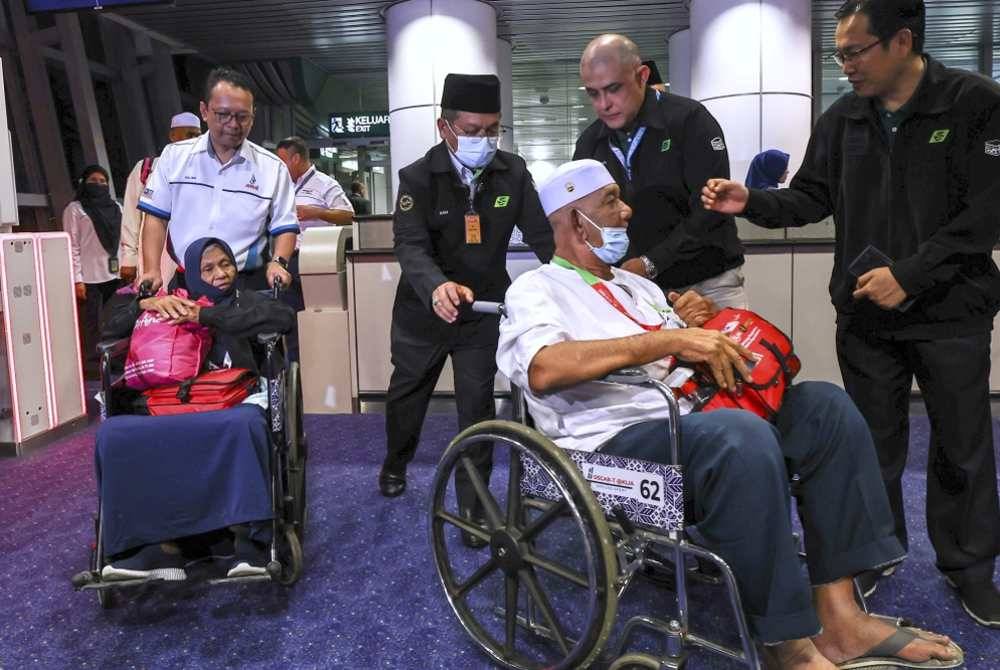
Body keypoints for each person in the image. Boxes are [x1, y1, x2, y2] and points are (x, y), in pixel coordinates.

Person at [497, 159, 962, 670]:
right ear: (571, 220)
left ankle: (841, 616)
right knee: (740, 438)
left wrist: (692, 326)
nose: (626, 210)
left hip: (693, 421)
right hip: (609, 450)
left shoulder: (640, 289)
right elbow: (542, 367)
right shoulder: (536, 288)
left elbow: (672, 354)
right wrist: (671, 336)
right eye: (609, 201)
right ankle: (788, 644)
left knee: (825, 407)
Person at [701, 0, 999, 628]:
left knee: (962, 447)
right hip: (866, 318)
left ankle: (970, 569)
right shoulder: (842, 121)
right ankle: (875, 553)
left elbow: (986, 215)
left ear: (902, 41)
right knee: (870, 445)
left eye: (855, 52)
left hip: (951, 313)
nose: (845, 67)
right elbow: (811, 197)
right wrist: (750, 198)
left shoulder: (975, 102)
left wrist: (910, 276)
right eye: (839, 54)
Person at [379, 73, 554, 527]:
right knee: (407, 396)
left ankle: (474, 506)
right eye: (473, 131)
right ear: (445, 128)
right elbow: (409, 244)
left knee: (475, 408)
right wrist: (436, 285)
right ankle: (396, 462)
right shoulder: (417, 177)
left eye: (492, 129)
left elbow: (542, 235)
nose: (484, 140)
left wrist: (577, 279)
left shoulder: (512, 173)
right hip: (423, 310)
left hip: (481, 311)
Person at [98, 237, 295, 580]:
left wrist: (204, 315)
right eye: (208, 268)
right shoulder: (173, 303)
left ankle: (251, 542)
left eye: (226, 264)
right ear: (190, 274)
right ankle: (154, 548)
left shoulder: (244, 303)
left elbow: (283, 316)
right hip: (171, 402)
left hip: (230, 401)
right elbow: (109, 331)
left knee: (245, 424)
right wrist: (145, 304)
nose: (220, 274)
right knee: (114, 434)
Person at [574, 34, 747, 308]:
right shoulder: (590, 142)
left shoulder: (689, 120)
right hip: (636, 290)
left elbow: (710, 209)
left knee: (721, 352)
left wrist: (650, 263)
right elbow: (581, 216)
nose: (603, 104)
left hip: (708, 285)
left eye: (614, 88)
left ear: (642, 76)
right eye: (593, 93)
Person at [137, 66, 298, 294]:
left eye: (243, 117)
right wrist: (152, 269)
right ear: (204, 111)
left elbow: (285, 225)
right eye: (223, 115)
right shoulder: (175, 157)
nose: (233, 124)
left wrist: (279, 262)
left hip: (246, 285)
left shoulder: (273, 169)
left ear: (253, 115)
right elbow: (155, 217)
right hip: (188, 283)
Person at [275, 135, 355, 361]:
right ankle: (296, 367)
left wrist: (317, 212)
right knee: (290, 317)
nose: (279, 167)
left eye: (282, 161)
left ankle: (326, 362)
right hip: (288, 259)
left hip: (319, 260)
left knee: (321, 316)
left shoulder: (325, 184)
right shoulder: (281, 186)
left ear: (296, 158)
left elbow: (349, 216)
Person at [118, 112, 202, 288]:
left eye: (198, 135)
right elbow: (131, 216)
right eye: (190, 134)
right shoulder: (146, 168)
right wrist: (129, 257)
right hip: (155, 251)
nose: (195, 139)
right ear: (173, 136)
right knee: (158, 301)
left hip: (194, 251)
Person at [64, 164, 123, 377]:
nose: (98, 185)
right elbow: (72, 245)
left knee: (114, 322)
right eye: (93, 181)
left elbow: (123, 240)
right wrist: (76, 279)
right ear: (83, 184)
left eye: (103, 181)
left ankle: (114, 361)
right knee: (92, 325)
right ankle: (93, 366)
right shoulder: (75, 209)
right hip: (89, 278)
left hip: (115, 274)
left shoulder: (117, 207)